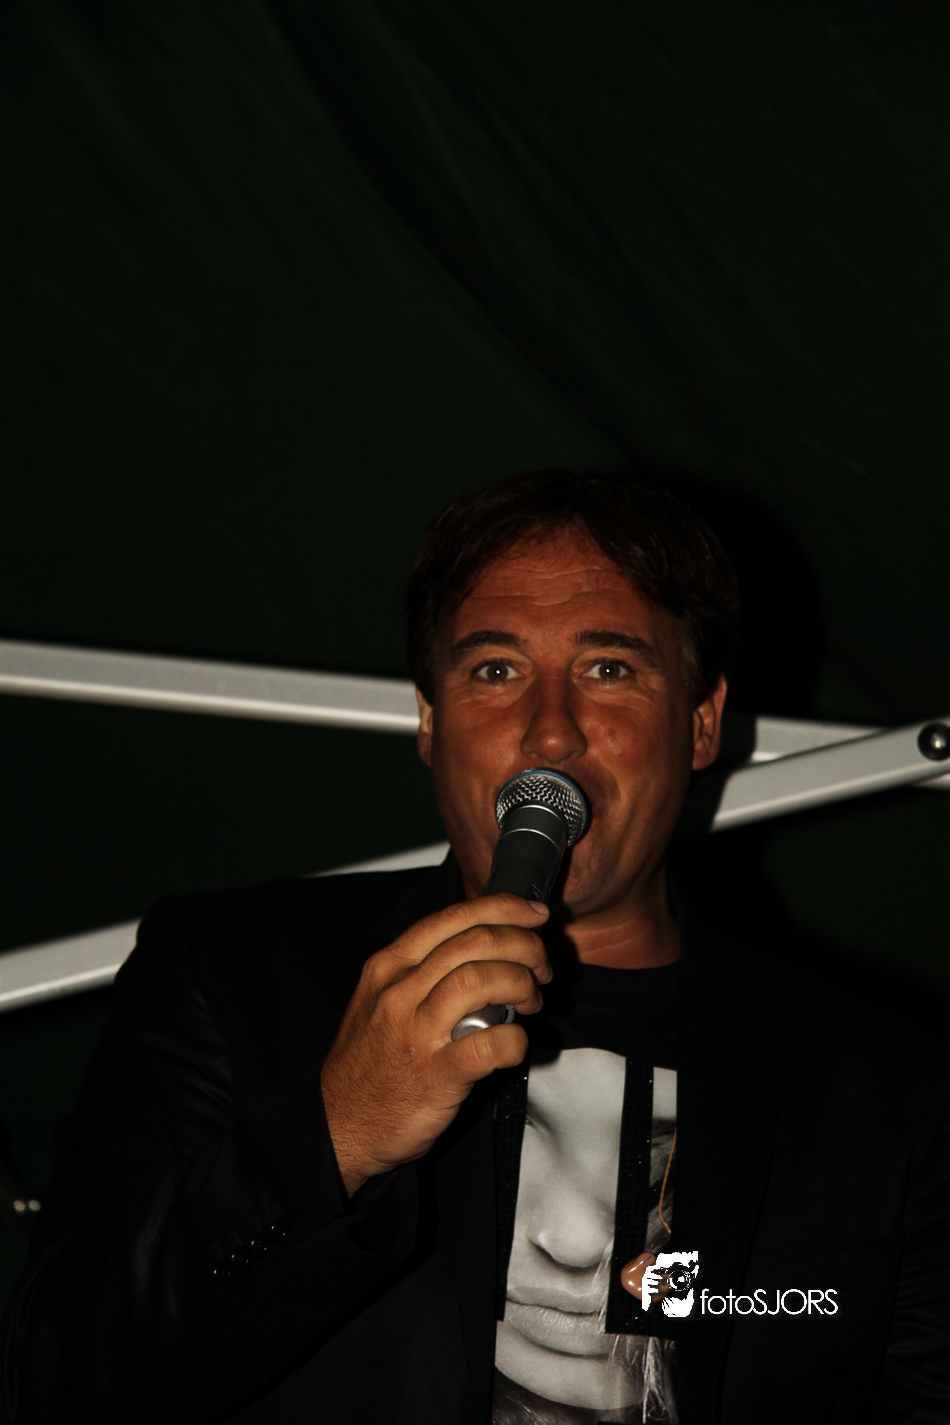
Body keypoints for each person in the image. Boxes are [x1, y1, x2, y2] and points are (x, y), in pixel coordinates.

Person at [2, 470, 949, 1425]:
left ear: (702, 722)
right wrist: (338, 1133)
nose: (550, 732)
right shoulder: (230, 972)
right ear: (428, 717)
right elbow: (58, 1375)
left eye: (609, 669)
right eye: (495, 670)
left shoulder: (878, 1086)